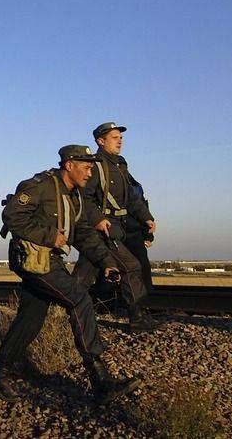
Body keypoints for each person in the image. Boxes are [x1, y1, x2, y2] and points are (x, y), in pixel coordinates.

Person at [0, 145, 139, 404]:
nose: (90, 173)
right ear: (69, 165)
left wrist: (105, 262)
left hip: (48, 261)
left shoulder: (74, 195)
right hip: (34, 261)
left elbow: (84, 233)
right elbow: (11, 215)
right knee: (79, 299)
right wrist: (50, 236)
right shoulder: (41, 186)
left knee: (31, 318)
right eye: (86, 167)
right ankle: (101, 381)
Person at [76, 122, 156, 331]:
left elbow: (131, 198)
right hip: (99, 231)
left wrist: (146, 217)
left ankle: (64, 314)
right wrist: (97, 219)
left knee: (84, 276)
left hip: (114, 229)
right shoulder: (95, 166)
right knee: (129, 267)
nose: (120, 141)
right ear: (100, 141)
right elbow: (83, 197)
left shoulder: (120, 166)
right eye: (114, 137)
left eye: (120, 138)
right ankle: (136, 319)